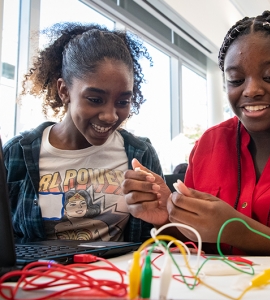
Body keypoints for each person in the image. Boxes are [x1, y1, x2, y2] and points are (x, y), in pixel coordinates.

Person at [122, 11, 270, 255]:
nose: (252, 90)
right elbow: (195, 244)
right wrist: (165, 218)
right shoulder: (209, 144)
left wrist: (240, 232)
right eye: (236, 80)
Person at [3, 22, 165, 242]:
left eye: (123, 101)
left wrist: (164, 217)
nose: (110, 116)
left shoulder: (140, 155)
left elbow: (156, 242)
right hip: (38, 276)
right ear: (64, 91)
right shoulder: (16, 154)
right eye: (95, 99)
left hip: (116, 275)